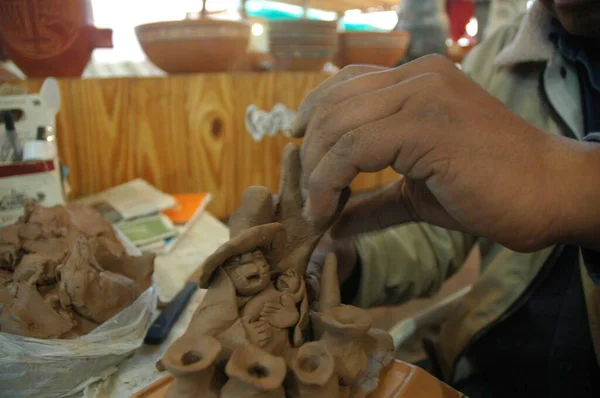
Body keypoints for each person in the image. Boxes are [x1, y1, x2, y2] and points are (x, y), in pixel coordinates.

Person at [292, 0, 600, 396]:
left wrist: (568, 182)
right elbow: (441, 230)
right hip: (486, 364)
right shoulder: (501, 56)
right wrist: (354, 258)